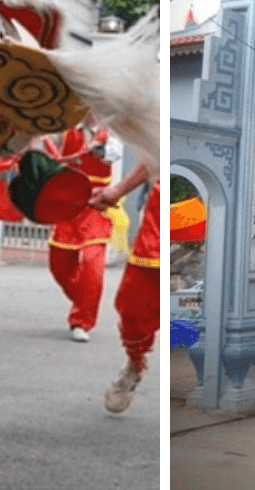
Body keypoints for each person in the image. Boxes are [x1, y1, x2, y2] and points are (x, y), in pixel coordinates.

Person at [43, 124, 115, 342]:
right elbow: (43, 143)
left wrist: (100, 150)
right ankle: (84, 301)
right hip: (67, 204)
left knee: (93, 266)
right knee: (59, 266)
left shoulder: (109, 131)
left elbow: (112, 153)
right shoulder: (64, 129)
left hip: (95, 205)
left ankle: (81, 320)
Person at [98, 164, 158, 413]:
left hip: (199, 217)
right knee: (132, 309)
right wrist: (116, 192)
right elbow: (152, 156)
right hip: (156, 229)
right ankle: (134, 364)